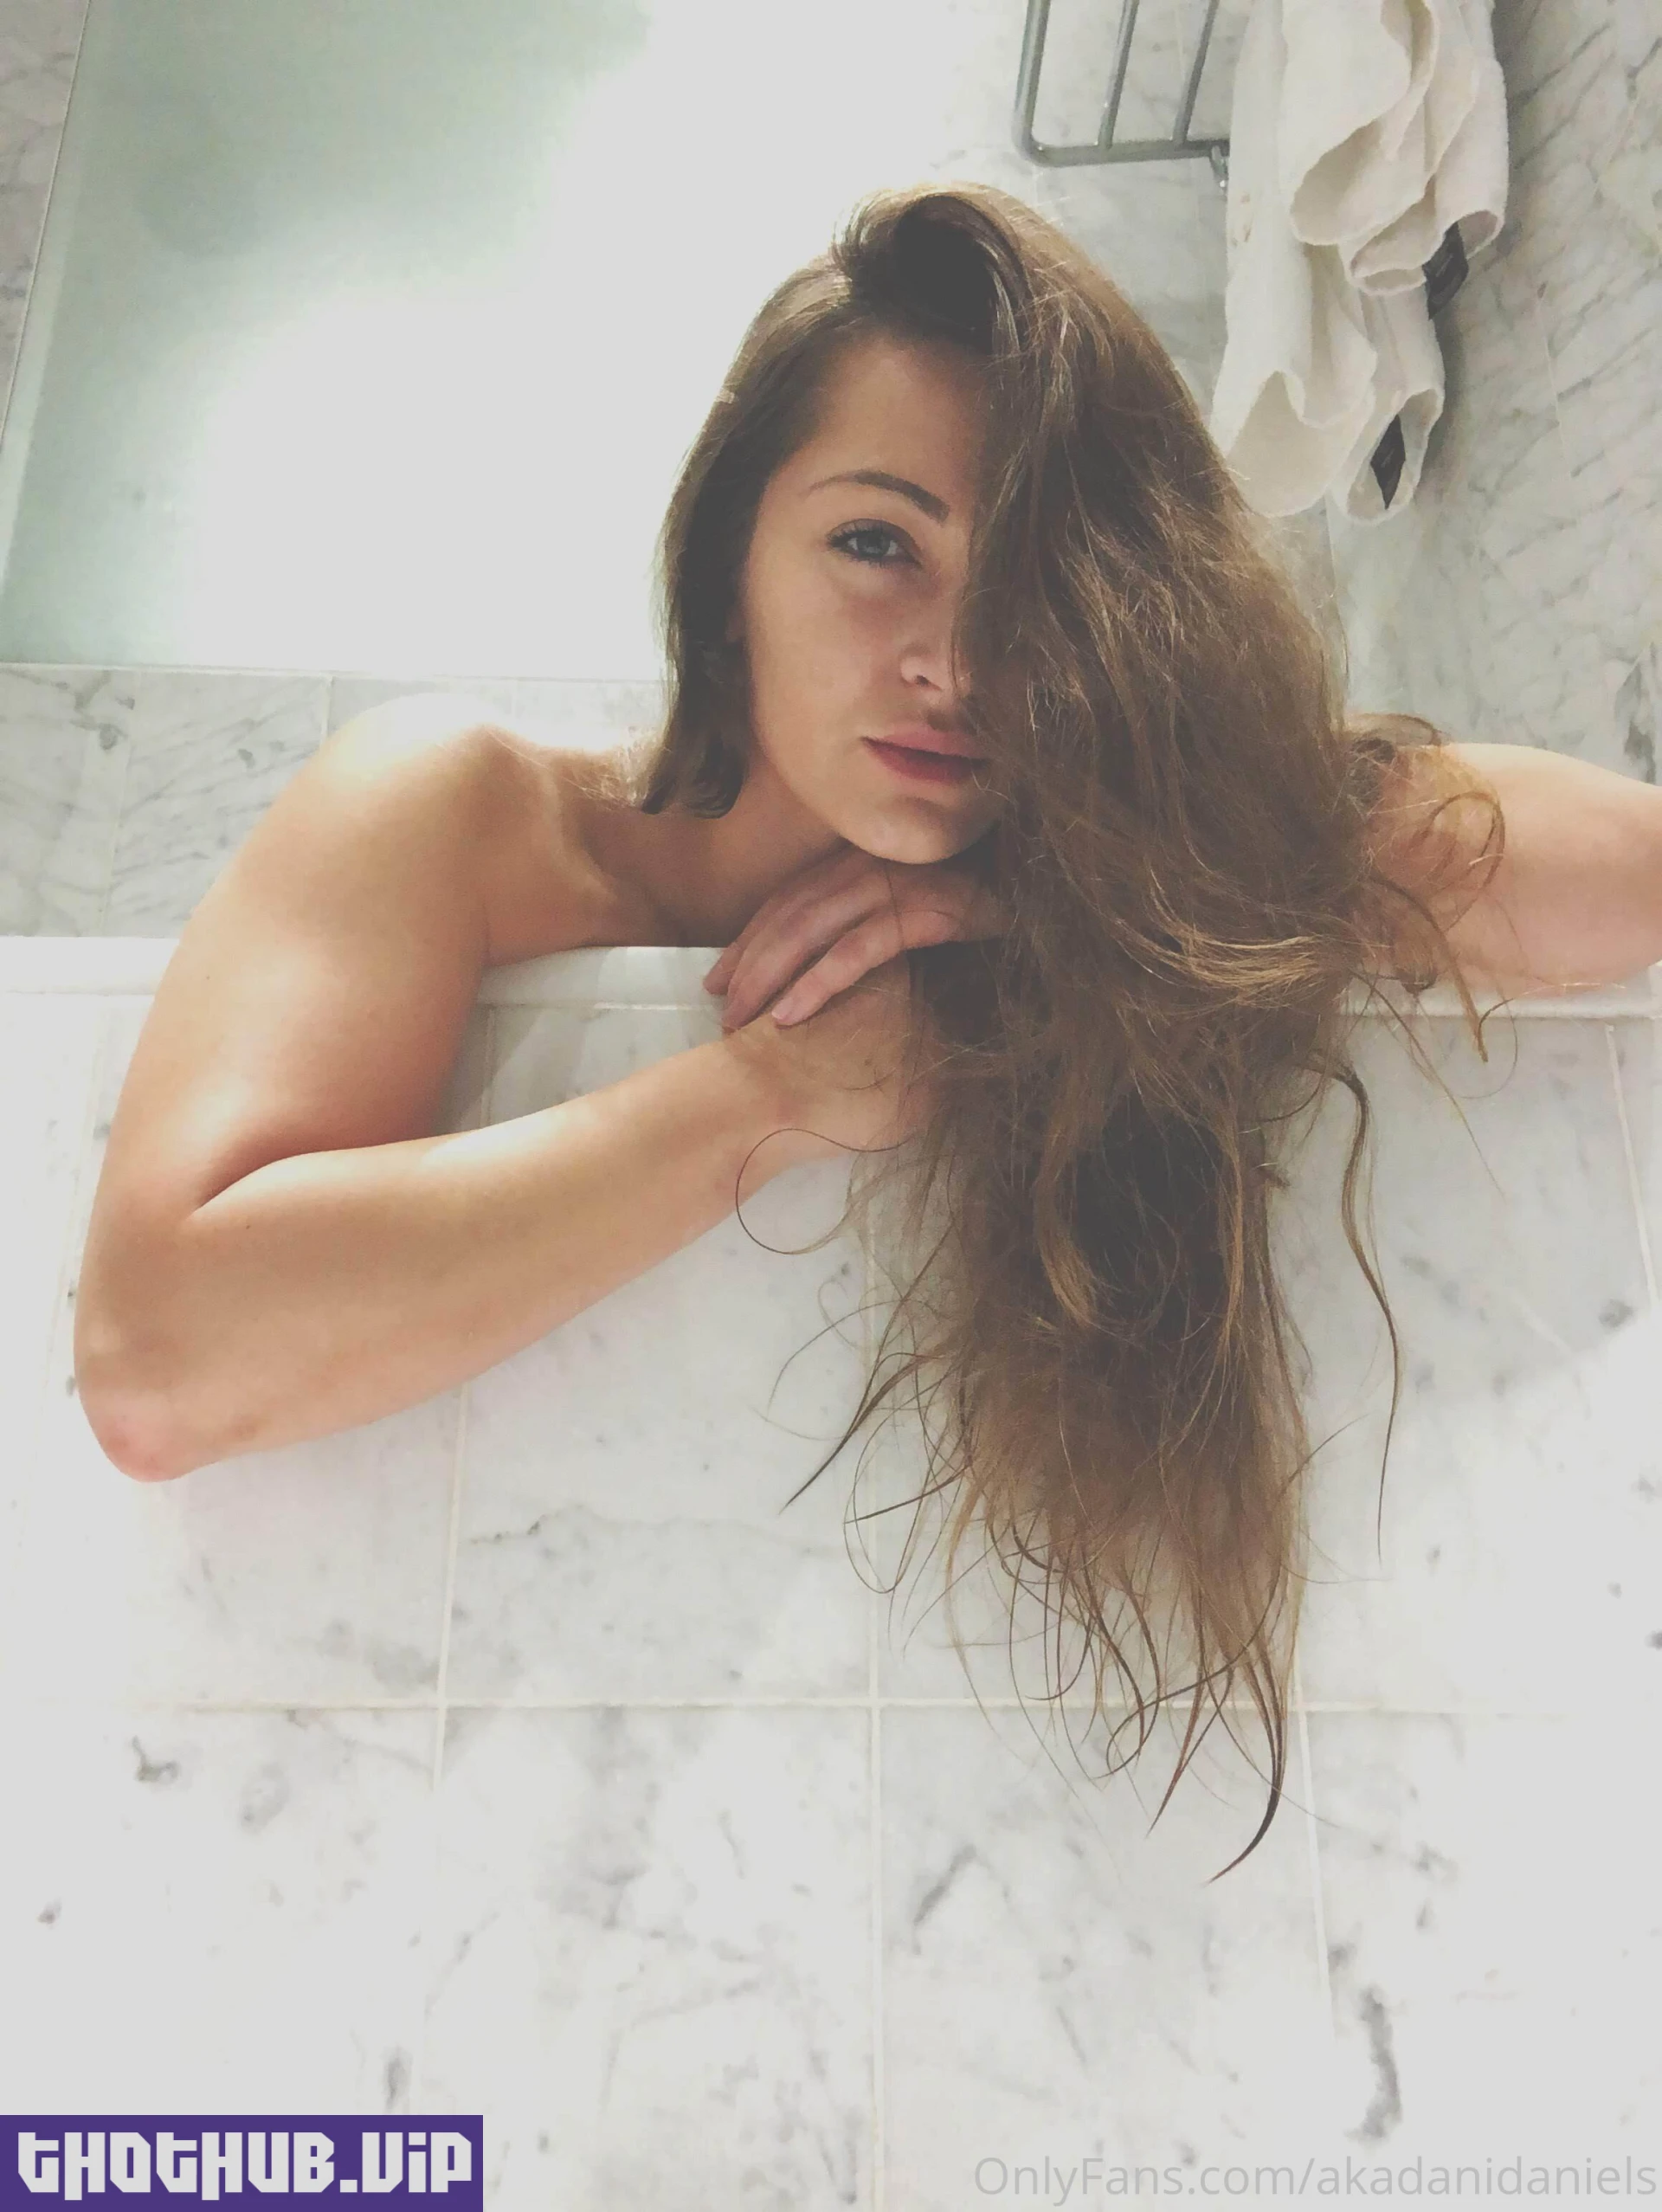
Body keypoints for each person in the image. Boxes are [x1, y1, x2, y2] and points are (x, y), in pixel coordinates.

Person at [74, 182, 1662, 1877]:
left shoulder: (1096, 864)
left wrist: (1053, 895)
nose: (959, 662)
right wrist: (769, 1091)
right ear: (726, 572)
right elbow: (159, 1362)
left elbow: (1627, 880)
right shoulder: (459, 812)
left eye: (1037, 577)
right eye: (876, 545)